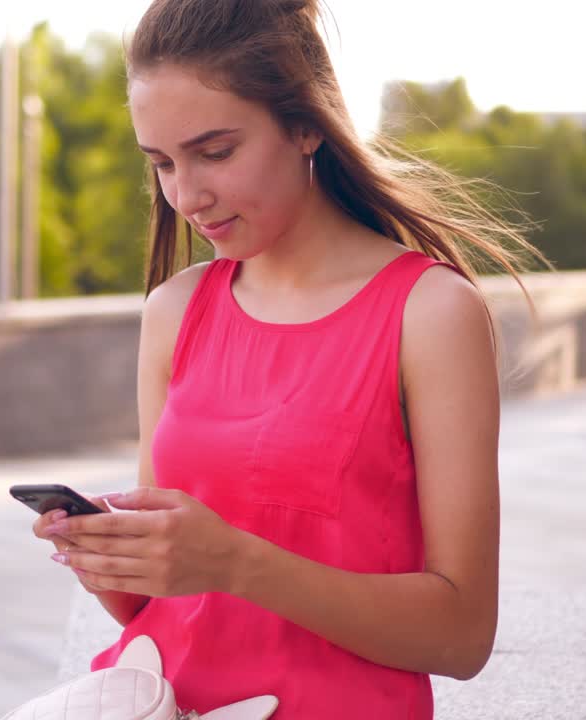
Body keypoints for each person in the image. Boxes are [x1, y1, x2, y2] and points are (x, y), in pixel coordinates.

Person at [31, 0, 545, 716]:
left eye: (215, 152)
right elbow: (165, 609)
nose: (186, 195)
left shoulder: (429, 314)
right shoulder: (174, 312)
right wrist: (109, 559)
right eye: (161, 164)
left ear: (306, 124)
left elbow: (462, 636)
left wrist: (236, 563)